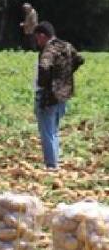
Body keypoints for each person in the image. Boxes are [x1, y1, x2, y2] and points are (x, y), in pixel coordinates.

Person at [33, 21, 84, 169]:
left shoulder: (49, 49)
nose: (37, 42)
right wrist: (64, 76)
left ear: (43, 36)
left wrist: (44, 84)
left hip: (48, 96)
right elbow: (80, 59)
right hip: (63, 94)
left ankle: (51, 165)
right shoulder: (66, 46)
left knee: (47, 131)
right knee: (54, 130)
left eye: (37, 38)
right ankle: (55, 161)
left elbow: (44, 67)